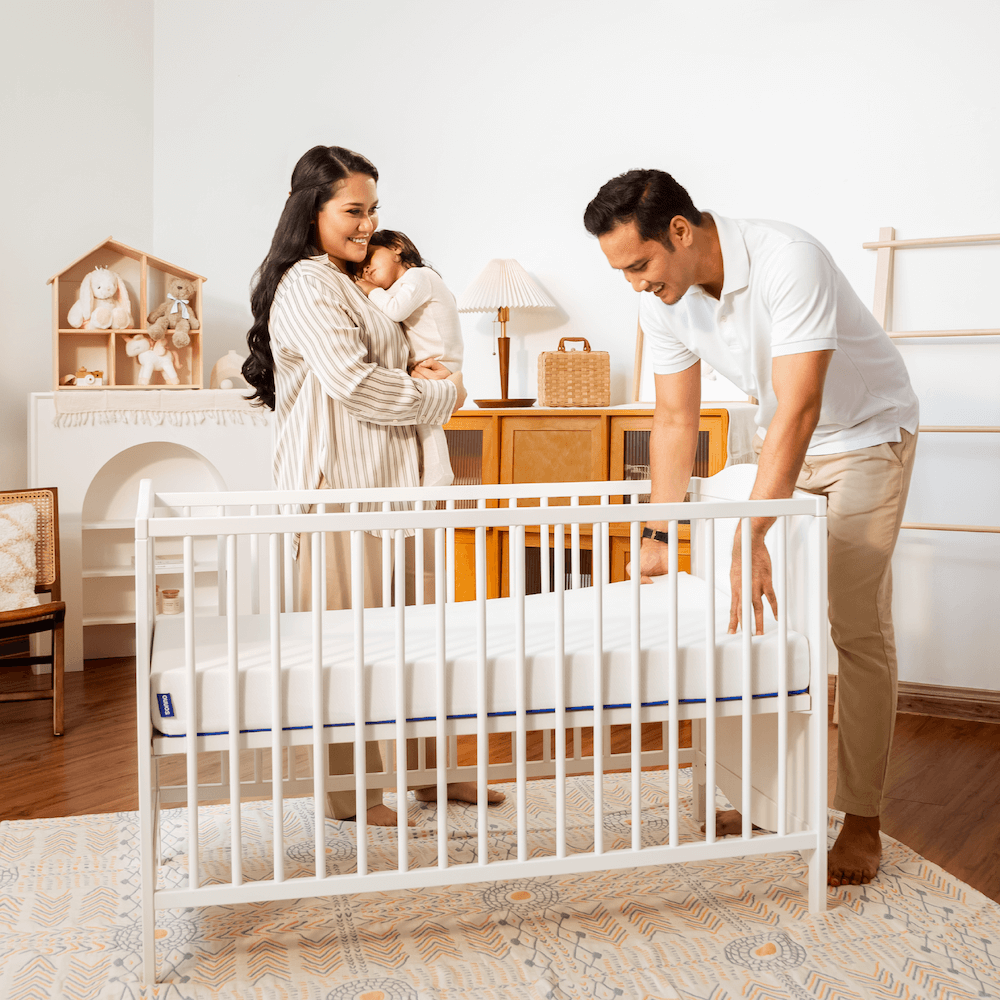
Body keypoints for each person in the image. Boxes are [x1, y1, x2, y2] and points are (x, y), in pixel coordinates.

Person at [583, 169, 919, 888]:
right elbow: (673, 422)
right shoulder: (661, 303)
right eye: (621, 273)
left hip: (863, 438)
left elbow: (801, 403)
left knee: (853, 625)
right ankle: (769, 798)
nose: (635, 284)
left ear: (680, 230)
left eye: (639, 265)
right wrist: (658, 535)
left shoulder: (786, 258)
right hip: (784, 443)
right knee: (750, 614)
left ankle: (861, 820)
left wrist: (751, 533)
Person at [243, 145, 500, 826]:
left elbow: (399, 359)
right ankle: (351, 792)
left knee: (415, 643)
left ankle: (431, 775)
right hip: (340, 494)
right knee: (350, 653)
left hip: (396, 490)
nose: (368, 224)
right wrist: (443, 397)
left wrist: (428, 380)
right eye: (353, 210)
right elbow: (355, 384)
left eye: (373, 209)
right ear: (313, 210)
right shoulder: (306, 285)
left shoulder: (353, 283)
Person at [355, 230, 464, 488]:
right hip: (430, 366)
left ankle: (438, 480)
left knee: (427, 425)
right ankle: (431, 481)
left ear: (396, 248)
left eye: (370, 257)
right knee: (423, 425)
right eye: (360, 269)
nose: (366, 268)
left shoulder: (420, 276)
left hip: (439, 365)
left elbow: (396, 310)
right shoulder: (402, 287)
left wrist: (370, 290)